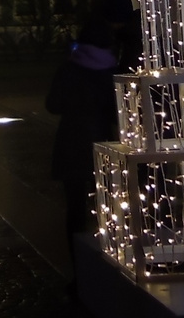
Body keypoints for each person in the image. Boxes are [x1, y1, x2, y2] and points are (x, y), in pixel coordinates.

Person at [46, 19, 123, 240]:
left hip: (71, 140)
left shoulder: (70, 67)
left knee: (75, 207)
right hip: (102, 140)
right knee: (107, 204)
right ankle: (107, 254)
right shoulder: (111, 71)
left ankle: (78, 259)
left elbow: (52, 104)